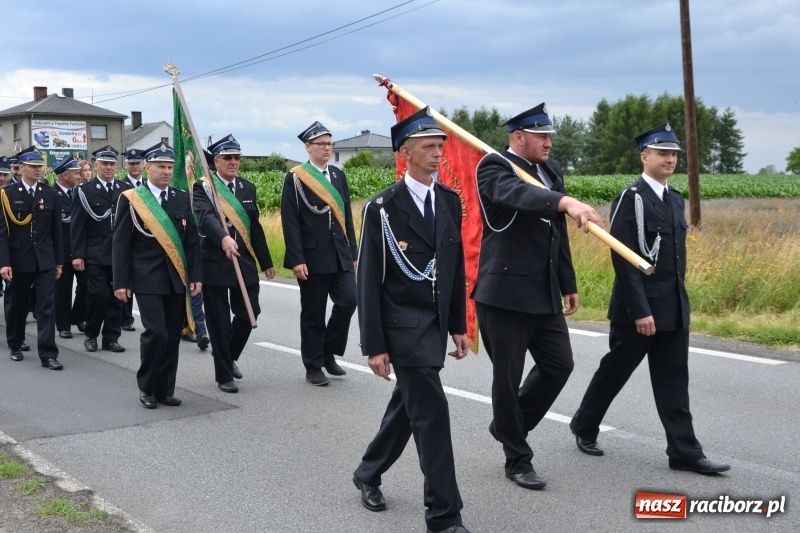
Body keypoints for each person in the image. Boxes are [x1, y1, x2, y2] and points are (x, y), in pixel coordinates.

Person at [569, 123, 730, 474]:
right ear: (645, 157)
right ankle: (584, 425)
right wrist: (640, 310)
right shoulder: (632, 198)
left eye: (673, 154)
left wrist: (678, 304)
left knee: (674, 380)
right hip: (637, 311)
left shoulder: (675, 199)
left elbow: (674, 261)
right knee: (615, 372)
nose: (670, 159)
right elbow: (624, 259)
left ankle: (684, 452)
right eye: (662, 153)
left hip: (672, 307)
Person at [353, 107, 471, 533]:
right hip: (401, 328)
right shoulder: (383, 207)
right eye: (428, 147)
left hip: (435, 324)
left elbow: (454, 268)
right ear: (405, 153)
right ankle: (444, 515)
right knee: (432, 414)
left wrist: (458, 324)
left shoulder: (448, 200)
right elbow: (368, 280)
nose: (438, 153)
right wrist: (375, 345)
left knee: (410, 406)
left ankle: (368, 471)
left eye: (440, 146)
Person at [472, 102, 601, 490]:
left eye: (550, 136)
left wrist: (568, 282)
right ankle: (517, 458)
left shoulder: (551, 170)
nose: (549, 143)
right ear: (518, 137)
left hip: (543, 291)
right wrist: (565, 201)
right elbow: (517, 196)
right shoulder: (493, 167)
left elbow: (555, 234)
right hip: (504, 293)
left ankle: (508, 426)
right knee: (506, 380)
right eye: (542, 136)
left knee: (559, 364)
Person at [113, 142, 202, 409]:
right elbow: (121, 243)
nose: (166, 171)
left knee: (173, 335)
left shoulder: (180, 197)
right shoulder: (132, 199)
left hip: (176, 277)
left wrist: (196, 275)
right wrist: (121, 282)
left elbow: (191, 242)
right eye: (160, 166)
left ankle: (166, 389)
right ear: (148, 167)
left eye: (169, 166)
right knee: (156, 333)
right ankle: (147, 387)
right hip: (146, 277)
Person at [192, 134, 274, 393]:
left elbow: (255, 226)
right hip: (215, 261)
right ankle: (223, 374)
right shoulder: (203, 187)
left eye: (237, 157)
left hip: (244, 262)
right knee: (218, 322)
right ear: (216, 161)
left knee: (250, 314)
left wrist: (266, 261)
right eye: (228, 158)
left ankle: (229, 356)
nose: (233, 162)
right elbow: (205, 217)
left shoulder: (247, 188)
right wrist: (223, 239)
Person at [281, 121, 357, 386]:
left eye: (329, 144)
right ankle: (313, 365)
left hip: (340, 254)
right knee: (313, 313)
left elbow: (346, 217)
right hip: (312, 258)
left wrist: (354, 252)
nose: (327, 148)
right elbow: (290, 221)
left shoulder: (338, 175)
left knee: (349, 301)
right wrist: (297, 259)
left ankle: (328, 351)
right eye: (321, 144)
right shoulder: (296, 177)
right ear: (308, 147)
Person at [0, 147, 63, 369]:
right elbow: (2, 232)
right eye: (33, 167)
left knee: (46, 306)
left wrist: (58, 262)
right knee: (16, 304)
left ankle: (48, 354)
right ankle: (16, 343)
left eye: (40, 166)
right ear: (22, 168)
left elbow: (57, 231)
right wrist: (4, 263)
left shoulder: (50, 194)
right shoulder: (7, 194)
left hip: (44, 258)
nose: (38, 170)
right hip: (18, 259)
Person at [71, 145, 126, 353]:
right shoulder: (85, 191)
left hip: (119, 254)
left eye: (112, 164)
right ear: (96, 166)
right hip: (95, 252)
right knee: (97, 295)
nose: (109, 168)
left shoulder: (124, 190)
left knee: (117, 297)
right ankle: (92, 334)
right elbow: (77, 225)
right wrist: (78, 254)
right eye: (104, 164)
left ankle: (111, 337)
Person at [52, 156, 81, 339]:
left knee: (88, 286)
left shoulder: (79, 193)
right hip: (61, 251)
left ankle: (77, 316)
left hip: (79, 250)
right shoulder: (52, 194)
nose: (79, 176)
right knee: (62, 291)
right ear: (65, 174)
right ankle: (63, 325)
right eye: (76, 173)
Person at [119, 148, 147, 332]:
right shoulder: (121, 186)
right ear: (126, 165)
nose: (135, 166)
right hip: (128, 237)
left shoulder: (148, 186)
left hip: (147, 239)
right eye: (131, 163)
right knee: (125, 277)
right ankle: (125, 316)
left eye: (138, 163)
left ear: (144, 165)